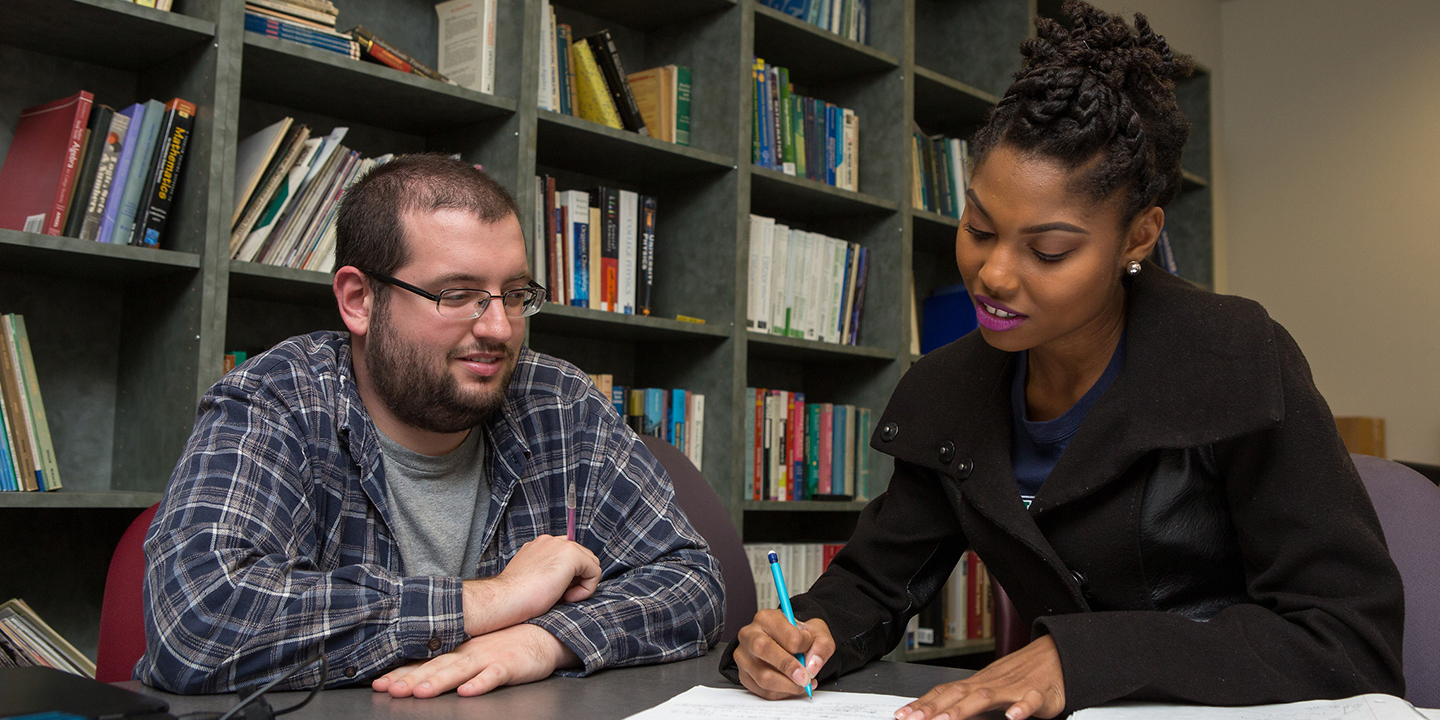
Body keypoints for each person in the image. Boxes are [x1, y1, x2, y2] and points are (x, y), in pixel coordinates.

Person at [722, 3, 1405, 718]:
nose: (994, 275)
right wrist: (809, 633)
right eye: (979, 228)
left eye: (1048, 251)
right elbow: (876, 582)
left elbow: (1346, 637)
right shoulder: (947, 390)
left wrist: (1080, 656)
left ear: (1139, 237)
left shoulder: (1234, 358)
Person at [139, 154, 724, 697]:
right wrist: (497, 600)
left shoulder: (559, 403)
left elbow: (691, 582)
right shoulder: (277, 401)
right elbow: (198, 619)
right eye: (458, 294)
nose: (498, 327)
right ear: (359, 300)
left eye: (515, 294)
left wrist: (544, 640)